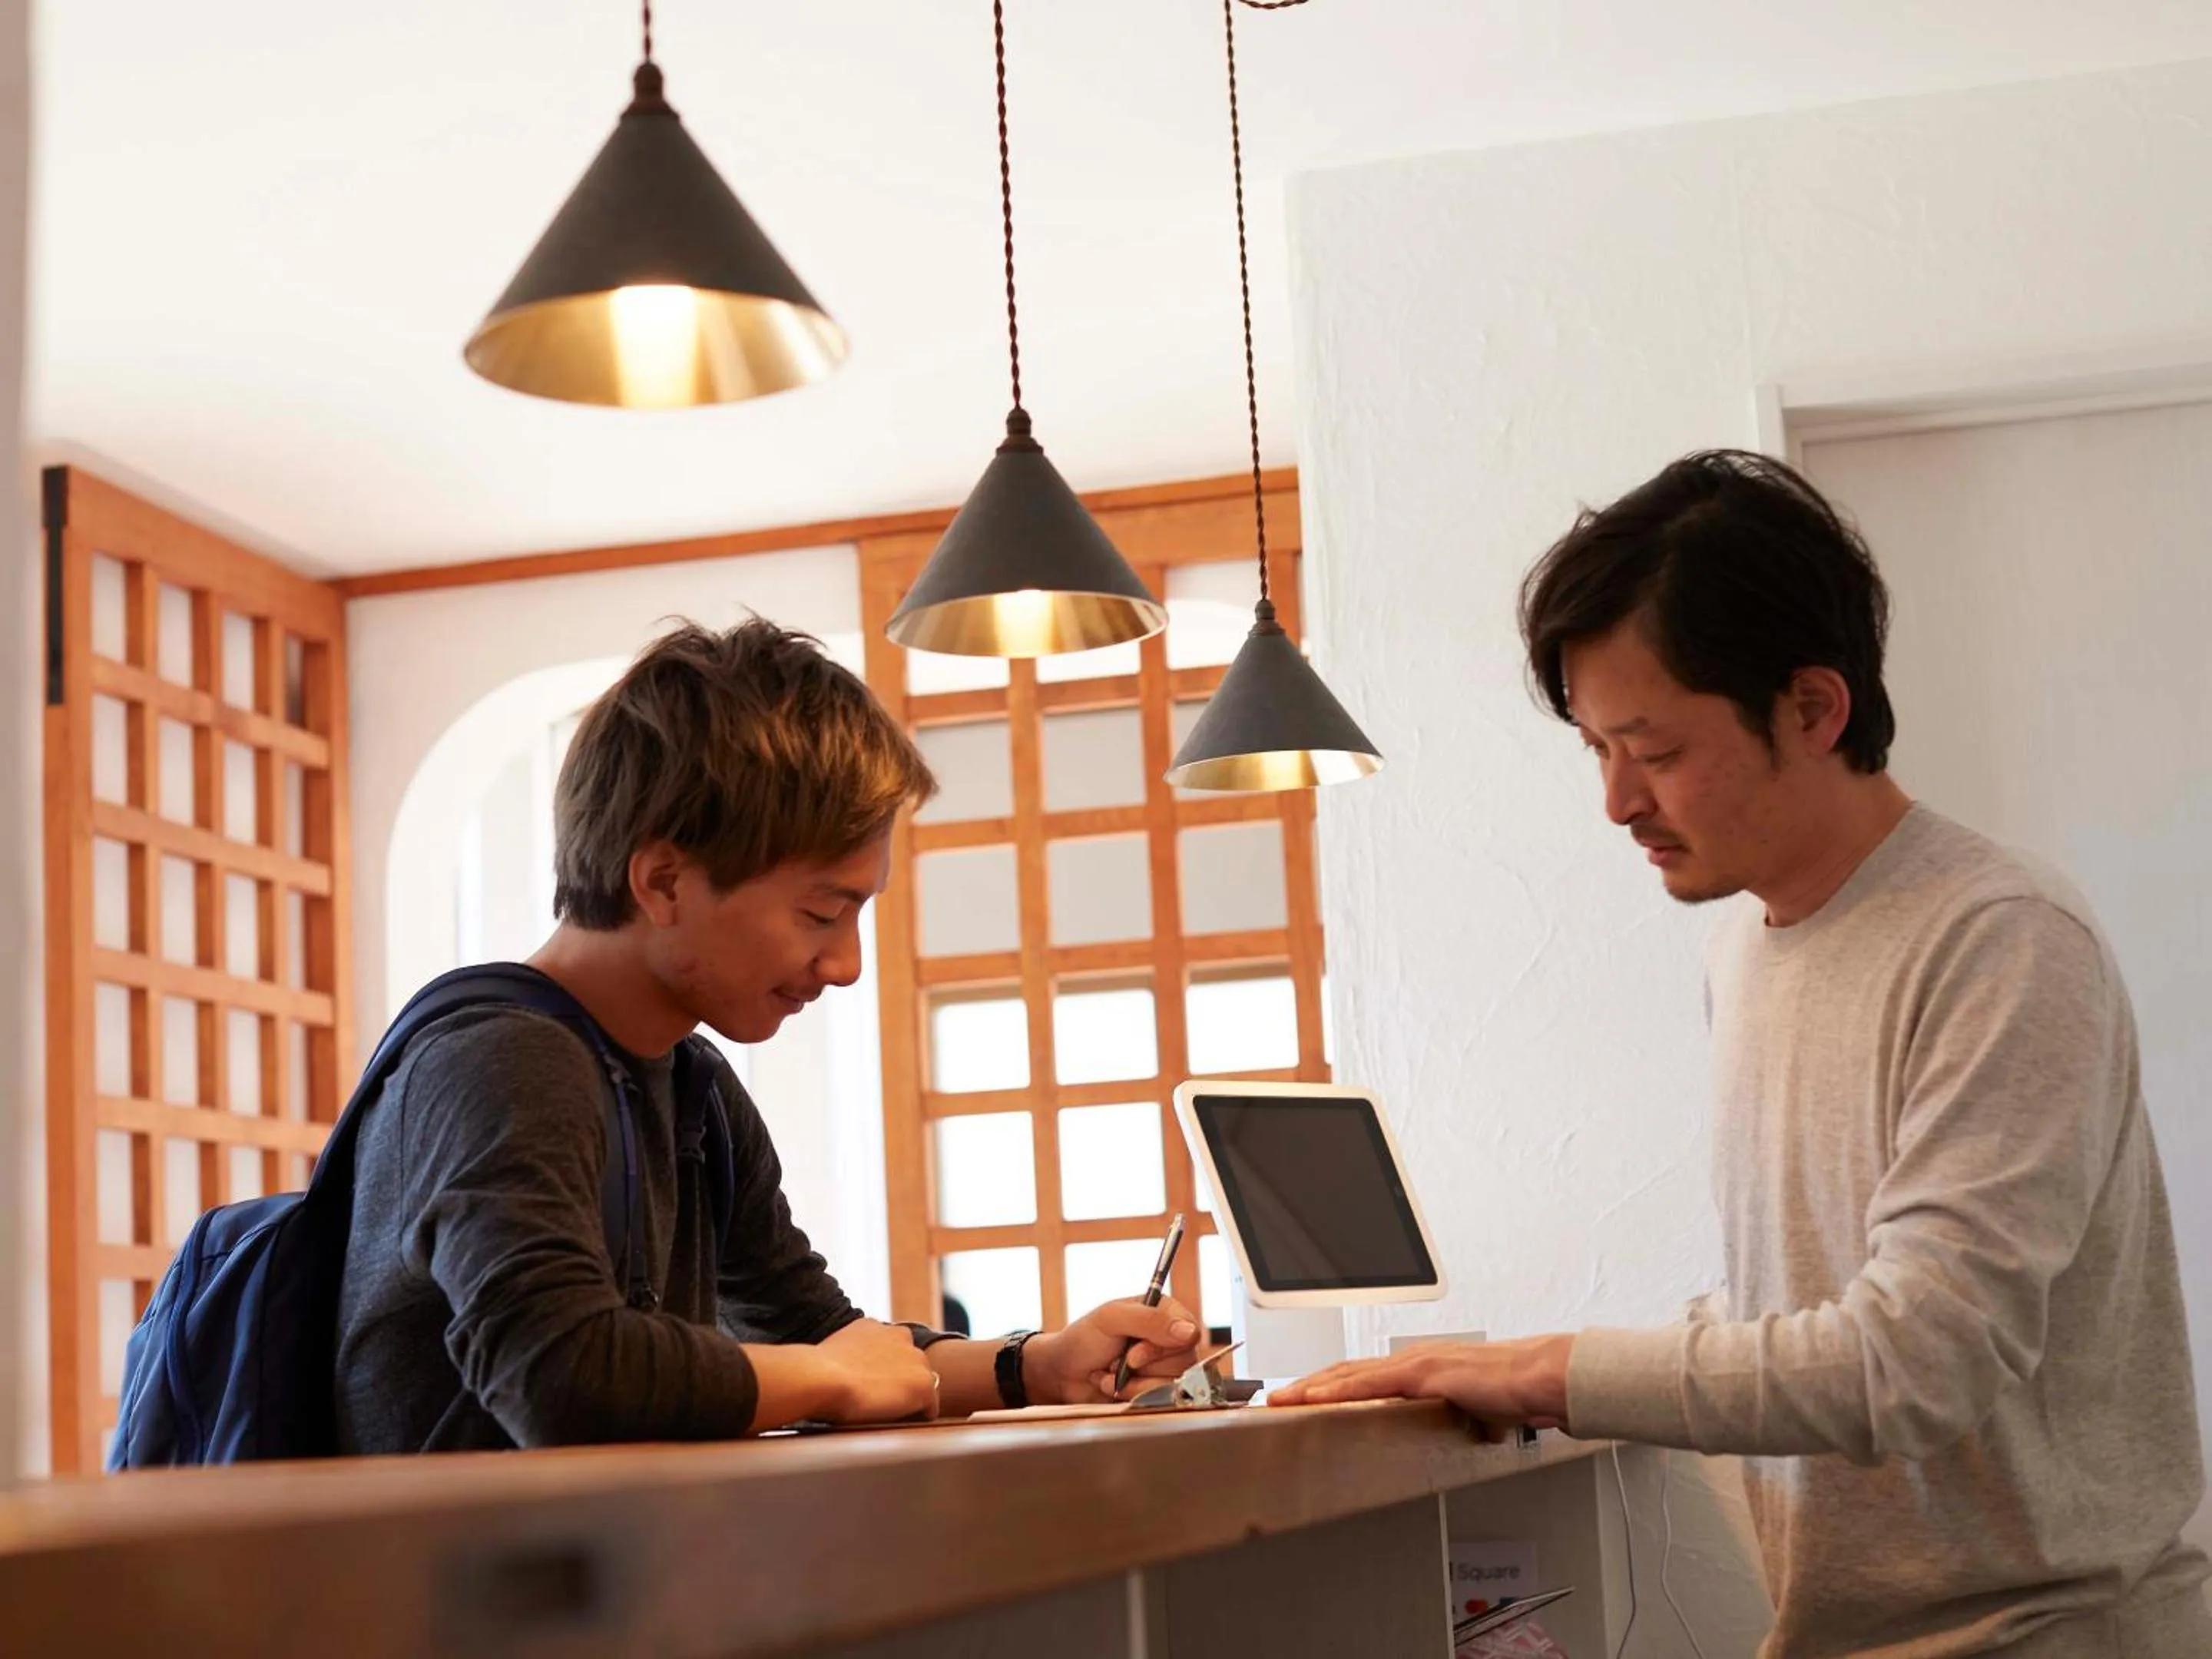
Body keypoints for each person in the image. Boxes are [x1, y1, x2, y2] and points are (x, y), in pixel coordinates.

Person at [1270, 452, 2210, 1654]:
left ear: (1814, 708)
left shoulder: (2001, 941)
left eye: (1653, 753)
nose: (1616, 801)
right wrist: (1520, 1361)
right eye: (1595, 750)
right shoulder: (1746, 953)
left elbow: (1914, 1360)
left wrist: (1560, 1371)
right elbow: (1790, 1301)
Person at [336, 619, 1198, 1452]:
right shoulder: (501, 1061)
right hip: (440, 1590)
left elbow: (820, 1331)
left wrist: (1035, 1367)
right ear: (665, 880)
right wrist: (825, 1380)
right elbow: (558, 1377)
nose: (847, 964)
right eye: (823, 913)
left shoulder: (692, 1084)